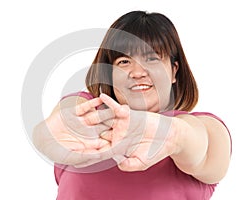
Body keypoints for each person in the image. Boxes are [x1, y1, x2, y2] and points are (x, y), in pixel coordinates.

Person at [32, 11, 231, 200]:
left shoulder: (201, 126)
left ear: (173, 71)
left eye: (152, 58)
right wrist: (47, 134)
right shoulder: (88, 111)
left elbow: (203, 145)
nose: (137, 72)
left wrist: (175, 136)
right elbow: (66, 116)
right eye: (124, 61)